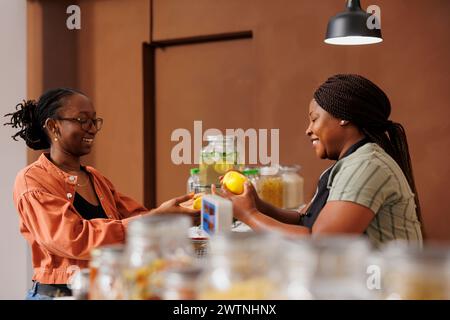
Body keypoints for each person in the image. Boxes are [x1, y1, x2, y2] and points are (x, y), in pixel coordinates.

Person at [4, 88, 199, 299]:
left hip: (103, 291)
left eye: (94, 121)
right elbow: (73, 238)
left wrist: (180, 213)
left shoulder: (95, 178)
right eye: (82, 120)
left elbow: (137, 218)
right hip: (58, 295)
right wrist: (157, 217)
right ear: (53, 126)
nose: (92, 129)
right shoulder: (32, 181)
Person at [216, 74, 423, 247]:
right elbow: (304, 220)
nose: (308, 129)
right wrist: (257, 205)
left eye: (314, 119)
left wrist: (249, 214)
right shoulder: (349, 164)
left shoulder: (366, 166)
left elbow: (321, 243)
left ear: (344, 117)